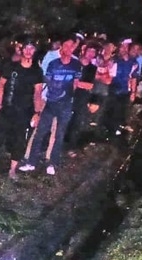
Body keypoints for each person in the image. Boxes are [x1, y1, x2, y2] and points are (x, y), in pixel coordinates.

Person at [19, 34, 82, 176]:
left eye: (71, 46)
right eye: (65, 45)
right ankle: (31, 162)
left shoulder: (76, 64)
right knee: (40, 131)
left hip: (65, 105)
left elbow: (75, 84)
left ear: (74, 48)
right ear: (61, 46)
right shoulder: (53, 63)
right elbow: (45, 82)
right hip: (49, 102)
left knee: (59, 134)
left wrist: (69, 98)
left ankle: (52, 162)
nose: (68, 48)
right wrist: (42, 100)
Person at [0, 38, 43, 179]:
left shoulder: (36, 71)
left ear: (34, 51)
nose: (28, 51)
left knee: (19, 140)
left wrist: (37, 112)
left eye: (31, 48)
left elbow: (38, 92)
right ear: (21, 50)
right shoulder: (11, 66)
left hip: (24, 111)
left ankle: (12, 170)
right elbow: (1, 85)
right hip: (7, 108)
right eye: (26, 48)